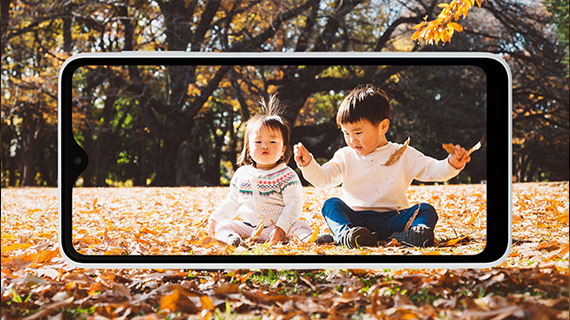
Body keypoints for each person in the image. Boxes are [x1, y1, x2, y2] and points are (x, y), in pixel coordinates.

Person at [294, 85, 471, 249]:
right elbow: (323, 179)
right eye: (346, 133)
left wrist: (451, 164)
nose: (351, 140)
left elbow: (434, 170)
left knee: (426, 209)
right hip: (357, 220)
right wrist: (308, 164)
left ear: (383, 126)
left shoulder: (403, 153)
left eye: (358, 132)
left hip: (395, 219)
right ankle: (346, 235)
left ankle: (416, 234)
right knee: (331, 205)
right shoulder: (345, 156)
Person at [208, 94, 322, 247]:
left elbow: (294, 205)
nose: (265, 146)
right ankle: (231, 239)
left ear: (283, 150)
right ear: (249, 149)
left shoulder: (287, 175)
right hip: (248, 228)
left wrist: (281, 228)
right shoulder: (241, 175)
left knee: (300, 226)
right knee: (224, 225)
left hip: (279, 228)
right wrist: (216, 218)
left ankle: (312, 239)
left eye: (272, 141)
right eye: (258, 141)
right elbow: (232, 201)